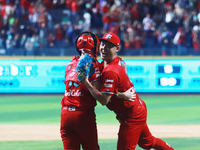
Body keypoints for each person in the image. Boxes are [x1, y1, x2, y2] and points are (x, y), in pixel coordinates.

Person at [79, 32, 175, 150]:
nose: (103, 48)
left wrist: (86, 83)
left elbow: (104, 100)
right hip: (135, 108)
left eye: (109, 46)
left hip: (131, 116)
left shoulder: (111, 71)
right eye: (102, 44)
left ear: (117, 49)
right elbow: (121, 64)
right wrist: (121, 94)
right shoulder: (111, 62)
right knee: (147, 142)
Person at [60, 31, 134, 150]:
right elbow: (102, 95)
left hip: (65, 115)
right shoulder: (94, 65)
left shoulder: (70, 63)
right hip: (82, 115)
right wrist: (123, 95)